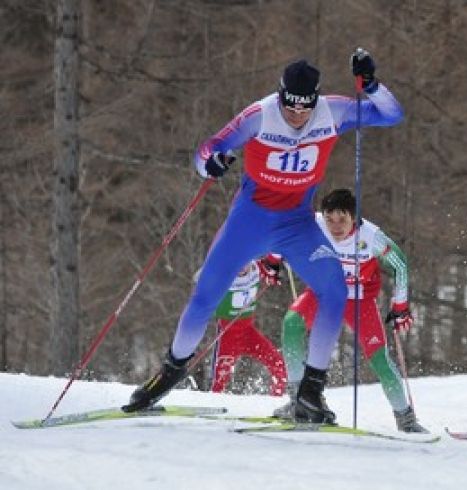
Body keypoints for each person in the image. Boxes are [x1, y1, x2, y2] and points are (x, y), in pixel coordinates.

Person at [123, 48, 403, 425]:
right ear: (280, 95)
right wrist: (211, 163)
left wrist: (370, 86)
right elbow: (208, 148)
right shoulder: (259, 115)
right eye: (291, 107)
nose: (298, 116)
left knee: (335, 289)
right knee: (206, 294)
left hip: (297, 225)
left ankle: (309, 394)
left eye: (305, 108)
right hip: (250, 222)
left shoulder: (333, 111)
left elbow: (391, 114)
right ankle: (166, 376)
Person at [273, 189, 427, 433]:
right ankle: (299, 401)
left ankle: (406, 419)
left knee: (379, 359)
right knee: (292, 323)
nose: (335, 226)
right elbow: (280, 232)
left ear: (353, 218)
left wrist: (400, 305)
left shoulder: (371, 236)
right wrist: (272, 259)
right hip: (323, 294)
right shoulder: (314, 223)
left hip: (359, 301)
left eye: (342, 220)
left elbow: (400, 264)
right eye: (330, 219)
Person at [206, 256, 287, 396]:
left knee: (279, 365)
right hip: (227, 336)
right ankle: (213, 403)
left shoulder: (257, 269)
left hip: (248, 333)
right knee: (219, 379)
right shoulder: (224, 276)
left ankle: (277, 399)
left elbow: (272, 262)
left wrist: (276, 270)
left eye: (245, 261)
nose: (242, 267)